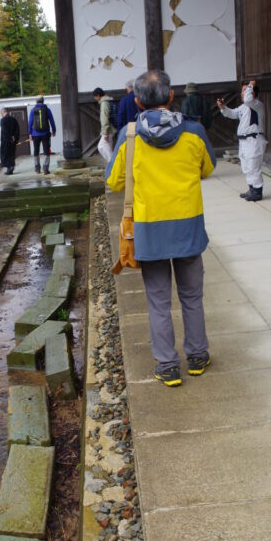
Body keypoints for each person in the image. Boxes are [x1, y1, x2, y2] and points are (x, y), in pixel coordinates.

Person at [106, 69, 216, 387]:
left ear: (137, 102)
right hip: (188, 227)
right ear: (171, 97)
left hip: (150, 229)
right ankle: (197, 356)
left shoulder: (130, 137)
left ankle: (167, 366)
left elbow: (114, 181)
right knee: (192, 296)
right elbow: (207, 168)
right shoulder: (194, 132)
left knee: (158, 301)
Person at [217, 80, 266, 201]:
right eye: (242, 90)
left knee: (254, 166)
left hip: (253, 139)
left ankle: (258, 191)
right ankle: (251, 188)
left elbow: (248, 99)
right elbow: (232, 114)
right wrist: (223, 107)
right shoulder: (244, 107)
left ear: (253, 92)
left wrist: (251, 85)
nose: (243, 93)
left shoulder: (257, 104)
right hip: (244, 141)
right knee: (246, 166)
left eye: (246, 90)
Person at [28, 95, 56, 174]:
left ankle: (37, 169)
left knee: (36, 151)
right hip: (45, 134)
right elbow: (52, 121)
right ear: (43, 101)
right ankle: (45, 169)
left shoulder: (33, 110)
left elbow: (30, 122)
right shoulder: (47, 110)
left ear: (36, 101)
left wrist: (30, 133)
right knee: (46, 151)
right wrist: (54, 130)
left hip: (35, 134)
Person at [93, 86, 117, 162]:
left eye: (95, 96)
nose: (95, 98)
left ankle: (112, 163)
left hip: (108, 129)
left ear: (98, 95)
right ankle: (111, 165)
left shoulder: (104, 103)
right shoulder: (109, 101)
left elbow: (104, 118)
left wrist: (105, 132)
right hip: (112, 127)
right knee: (108, 146)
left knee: (101, 146)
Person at [0, 107, 19, 175]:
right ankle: (10, 168)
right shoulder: (14, 119)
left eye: (1, 114)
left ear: (3, 112)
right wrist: (15, 138)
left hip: (6, 141)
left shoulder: (3, 120)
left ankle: (9, 167)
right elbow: (17, 130)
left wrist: (9, 138)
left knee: (4, 155)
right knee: (12, 154)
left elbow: (5, 131)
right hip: (13, 141)